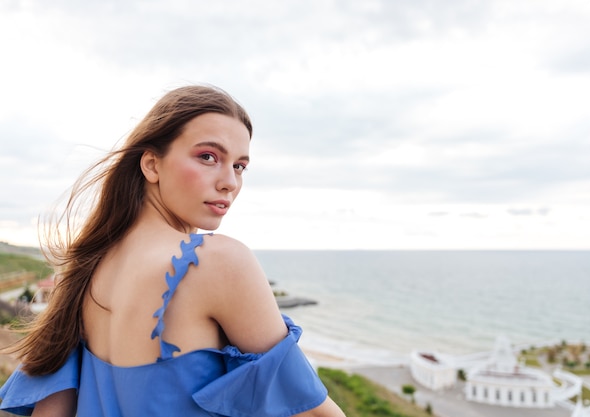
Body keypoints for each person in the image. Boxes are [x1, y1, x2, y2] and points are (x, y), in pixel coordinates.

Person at [0, 85, 345, 417]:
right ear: (151, 165)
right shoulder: (218, 261)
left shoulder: (82, 269)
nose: (230, 182)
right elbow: (312, 412)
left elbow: (51, 409)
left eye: (239, 166)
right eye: (208, 157)